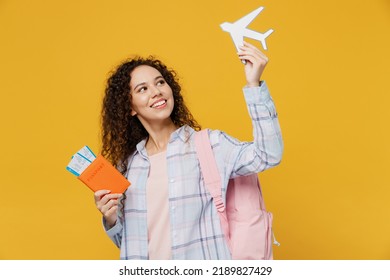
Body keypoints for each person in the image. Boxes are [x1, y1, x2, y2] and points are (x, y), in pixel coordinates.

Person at [94, 41, 283, 260]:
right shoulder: (129, 166)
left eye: (160, 83)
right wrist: (111, 219)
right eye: (142, 89)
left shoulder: (210, 145)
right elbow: (129, 245)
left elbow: (268, 154)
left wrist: (254, 85)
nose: (156, 92)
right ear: (130, 107)